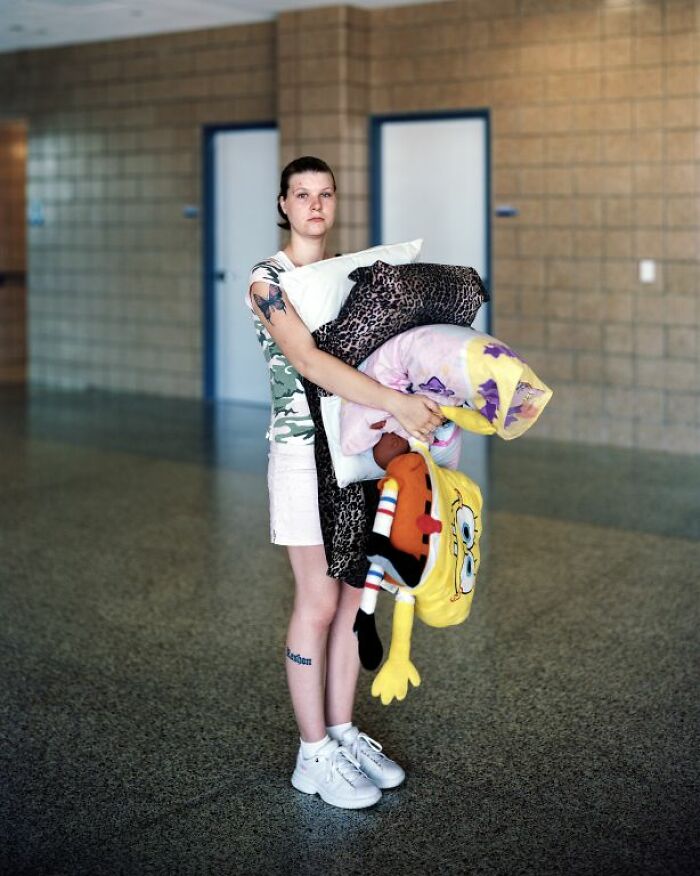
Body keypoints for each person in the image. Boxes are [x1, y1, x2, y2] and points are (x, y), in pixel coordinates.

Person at [246, 156, 443, 810]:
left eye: (325, 194)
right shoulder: (267, 281)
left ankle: (340, 731)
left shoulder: (348, 278)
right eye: (302, 194)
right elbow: (309, 360)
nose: (315, 204)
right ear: (284, 204)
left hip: (355, 454)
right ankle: (311, 755)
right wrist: (395, 399)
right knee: (319, 602)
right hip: (303, 457)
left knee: (358, 594)